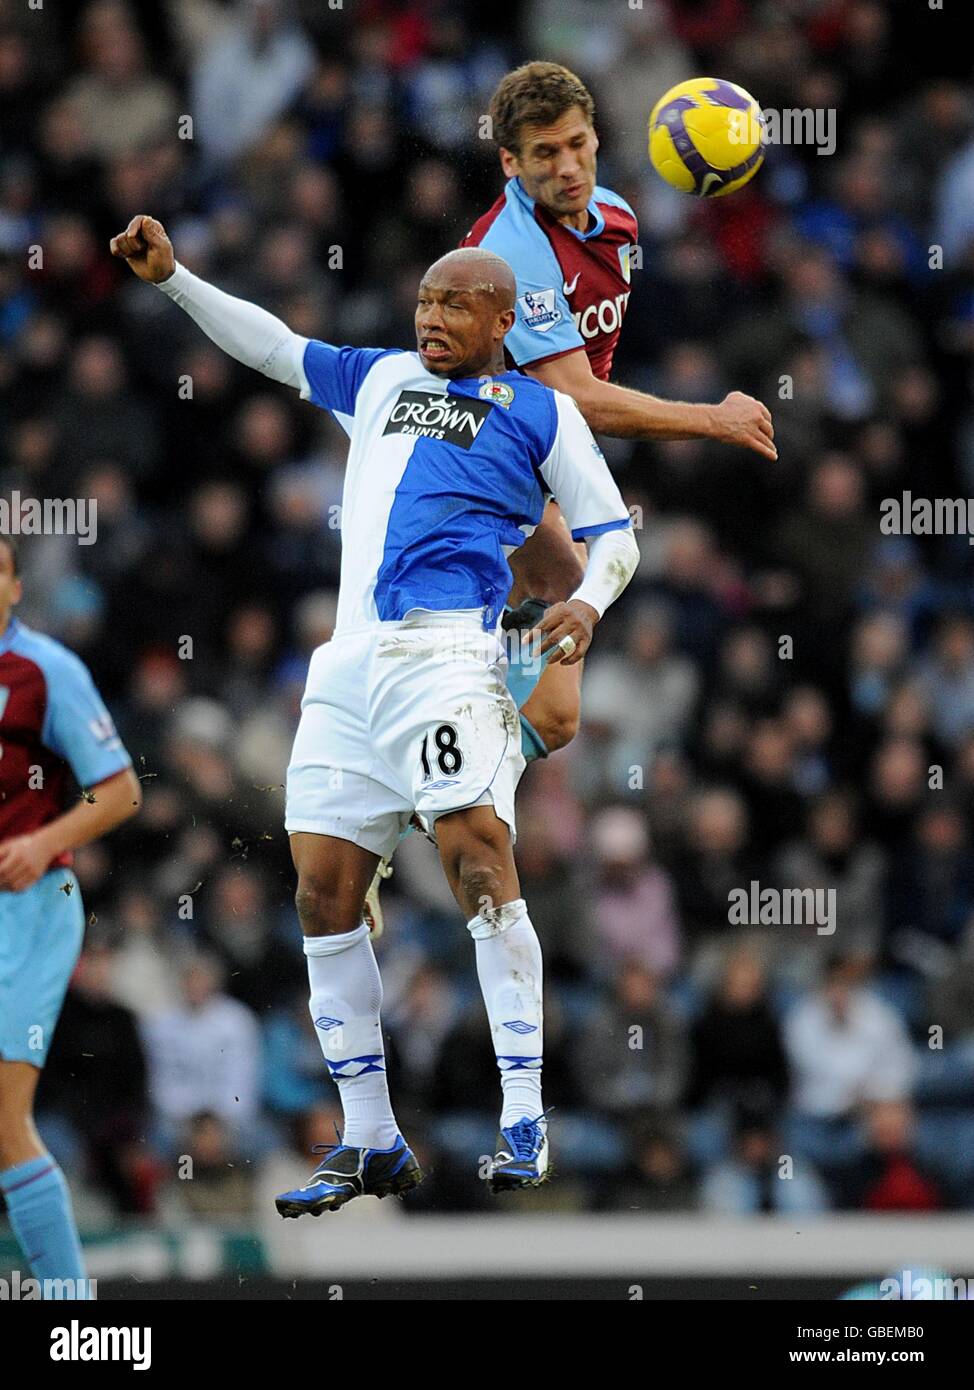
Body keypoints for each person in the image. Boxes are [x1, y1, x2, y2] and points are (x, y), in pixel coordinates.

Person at [110, 213, 639, 1208]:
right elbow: (274, 347)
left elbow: (615, 534)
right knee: (320, 892)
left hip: (447, 655)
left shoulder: (537, 414)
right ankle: (369, 1136)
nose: (430, 318)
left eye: (453, 304)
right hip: (346, 668)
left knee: (478, 854)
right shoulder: (385, 380)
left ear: (501, 319)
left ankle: (521, 1110)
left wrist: (584, 600)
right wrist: (176, 275)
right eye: (424, 301)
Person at [462, 61, 776, 761]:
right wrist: (711, 419)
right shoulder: (508, 251)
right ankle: (444, 765)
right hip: (471, 464)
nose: (568, 167)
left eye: (577, 143)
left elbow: (586, 378)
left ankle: (453, 763)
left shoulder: (619, 221)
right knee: (571, 589)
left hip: (537, 463)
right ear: (510, 161)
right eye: (545, 153)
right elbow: (575, 392)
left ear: (596, 137)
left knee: (557, 715)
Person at [0, 536, 141, 1296]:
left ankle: (69, 1311)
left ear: (16, 586)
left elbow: (119, 791)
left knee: (3, 1122)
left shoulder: (48, 671)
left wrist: (43, 841)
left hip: (26, 907)